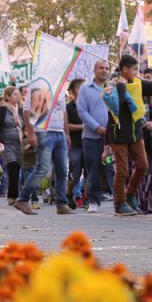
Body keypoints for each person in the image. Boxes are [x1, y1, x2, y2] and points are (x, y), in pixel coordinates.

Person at [103, 55, 152, 216]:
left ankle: (130, 194)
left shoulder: (138, 83)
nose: (137, 72)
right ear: (124, 70)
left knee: (143, 166)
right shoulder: (111, 85)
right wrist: (122, 86)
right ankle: (120, 203)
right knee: (122, 171)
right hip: (119, 134)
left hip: (135, 133)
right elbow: (119, 102)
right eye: (134, 69)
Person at [13, 83, 74, 216]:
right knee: (43, 168)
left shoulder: (61, 85)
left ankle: (61, 204)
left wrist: (67, 133)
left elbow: (63, 111)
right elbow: (26, 109)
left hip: (59, 133)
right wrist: (31, 132)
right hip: (44, 131)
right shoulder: (39, 82)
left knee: (63, 170)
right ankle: (23, 199)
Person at [77, 61, 112, 213]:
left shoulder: (112, 89)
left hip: (111, 139)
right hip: (92, 138)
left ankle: (117, 198)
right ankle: (92, 200)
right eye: (101, 68)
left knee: (111, 168)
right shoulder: (85, 89)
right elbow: (82, 111)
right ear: (94, 70)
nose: (104, 71)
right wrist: (97, 128)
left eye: (107, 68)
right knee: (93, 170)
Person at [0, 86, 24, 205]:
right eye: (15, 94)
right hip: (6, 144)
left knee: (19, 168)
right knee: (13, 166)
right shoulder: (1, 110)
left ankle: (19, 194)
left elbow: (25, 125)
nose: (18, 96)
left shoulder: (20, 110)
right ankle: (12, 196)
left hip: (20, 143)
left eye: (18, 94)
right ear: (7, 97)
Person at [65, 78, 85, 209]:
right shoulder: (69, 107)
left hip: (89, 142)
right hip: (76, 144)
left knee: (90, 172)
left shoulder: (88, 104)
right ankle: (68, 194)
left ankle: (88, 199)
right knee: (76, 174)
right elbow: (66, 126)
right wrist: (82, 126)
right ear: (77, 90)